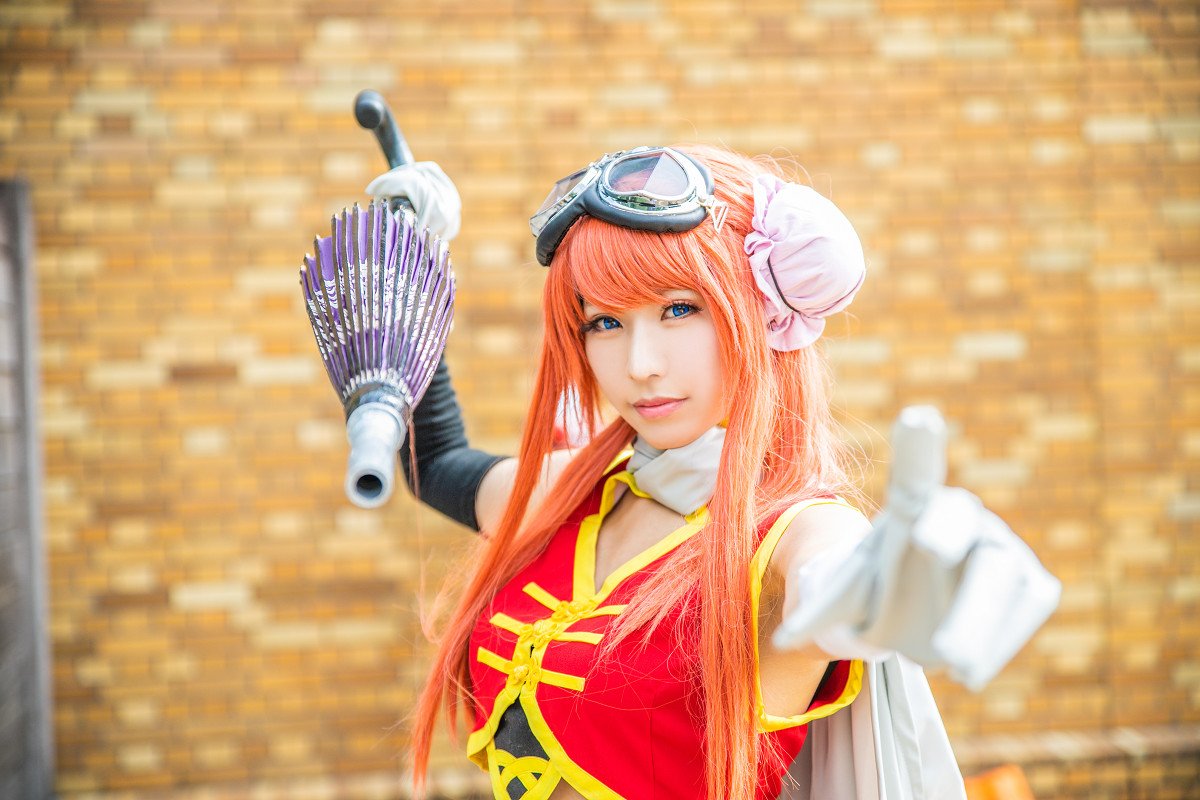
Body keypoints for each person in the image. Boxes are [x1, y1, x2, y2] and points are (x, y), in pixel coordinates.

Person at [363, 146, 1058, 799]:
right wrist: (411, 273)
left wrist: (893, 584)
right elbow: (437, 462)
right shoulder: (578, 491)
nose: (640, 365)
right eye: (604, 322)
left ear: (760, 314)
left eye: (678, 309)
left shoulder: (788, 535)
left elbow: (835, 572)